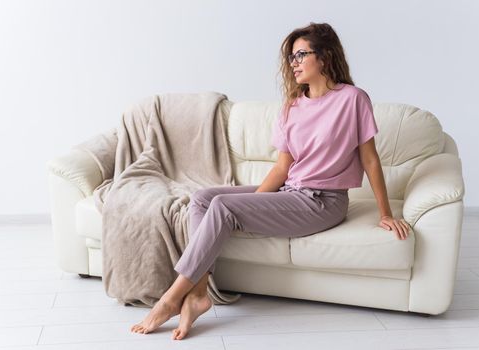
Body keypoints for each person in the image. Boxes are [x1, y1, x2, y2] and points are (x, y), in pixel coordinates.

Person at [130, 22, 412, 339]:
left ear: (325, 56)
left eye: (301, 55)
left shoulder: (353, 99)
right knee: (203, 199)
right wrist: (253, 204)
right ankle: (197, 295)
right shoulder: (293, 105)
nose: (293, 64)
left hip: (324, 202)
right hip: (292, 192)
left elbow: (370, 159)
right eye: (291, 57)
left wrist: (386, 213)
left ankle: (171, 299)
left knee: (223, 207)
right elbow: (281, 169)